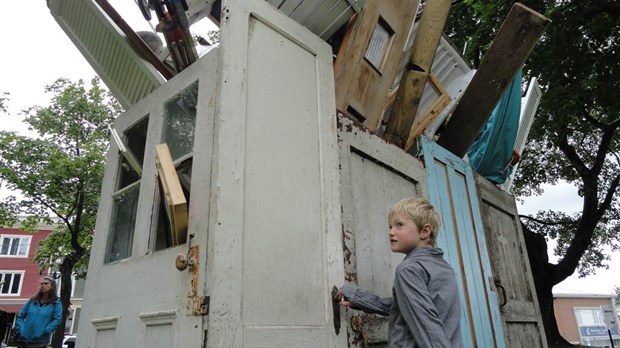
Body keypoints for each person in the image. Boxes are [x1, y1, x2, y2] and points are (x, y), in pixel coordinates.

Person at [337, 198, 463, 348]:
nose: (391, 232)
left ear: (425, 231)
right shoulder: (444, 268)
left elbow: (427, 326)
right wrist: (358, 298)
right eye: (390, 226)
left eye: (399, 225)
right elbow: (407, 307)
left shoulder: (408, 269)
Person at [14, 275, 62, 348]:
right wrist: (21, 329)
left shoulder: (56, 303)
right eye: (41, 284)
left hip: (40, 341)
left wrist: (46, 330)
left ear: (52, 286)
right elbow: (20, 316)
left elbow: (57, 319)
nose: (43, 285)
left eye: (46, 284)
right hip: (23, 339)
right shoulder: (32, 301)